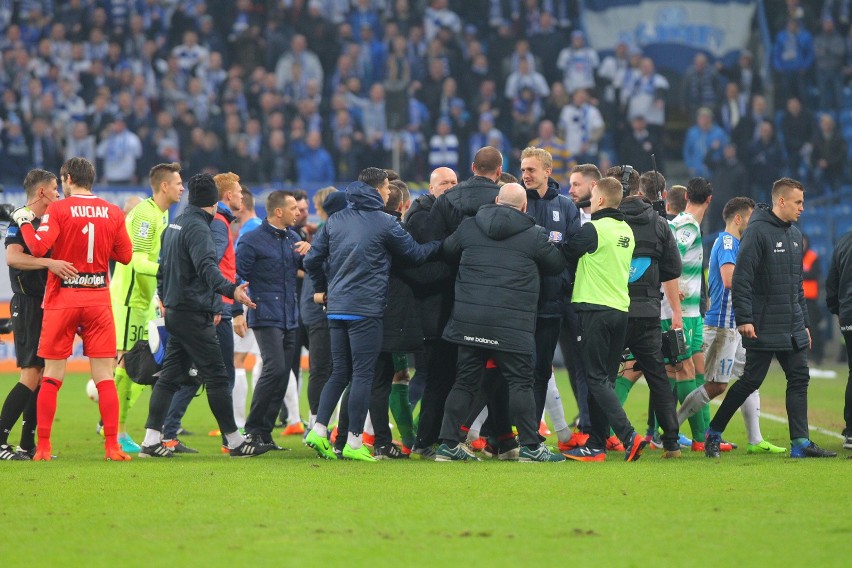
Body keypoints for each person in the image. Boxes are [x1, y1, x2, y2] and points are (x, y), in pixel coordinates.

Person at [303, 168, 440, 462]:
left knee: (339, 372)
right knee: (363, 374)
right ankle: (354, 442)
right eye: (388, 187)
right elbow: (415, 255)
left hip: (336, 308)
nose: (390, 192)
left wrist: (323, 289)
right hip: (366, 310)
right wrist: (440, 245)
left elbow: (312, 259)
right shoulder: (383, 222)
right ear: (380, 189)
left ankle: (317, 428)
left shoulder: (335, 220)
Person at [705, 178, 837, 459]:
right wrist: (745, 318)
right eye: (798, 202)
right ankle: (714, 432)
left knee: (800, 378)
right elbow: (741, 278)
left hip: (791, 324)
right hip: (763, 324)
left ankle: (800, 443)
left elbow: (796, 284)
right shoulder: (757, 232)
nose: (802, 207)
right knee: (750, 381)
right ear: (781, 201)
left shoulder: (794, 235)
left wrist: (804, 323)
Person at [138, 173, 266, 459]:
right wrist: (232, 291)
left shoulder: (175, 224)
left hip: (177, 310)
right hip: (193, 313)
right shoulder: (199, 229)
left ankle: (150, 440)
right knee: (218, 377)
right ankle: (234, 441)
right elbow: (208, 270)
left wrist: (164, 297)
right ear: (212, 201)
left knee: (170, 377)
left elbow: (162, 269)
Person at [13, 157, 133, 461]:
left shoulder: (58, 209)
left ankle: (43, 447)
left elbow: (38, 249)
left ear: (67, 179)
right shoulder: (113, 211)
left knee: (52, 375)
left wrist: (25, 222)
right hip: (97, 299)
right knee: (105, 376)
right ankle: (111, 447)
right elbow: (126, 255)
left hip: (63, 299)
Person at [436, 183, 567, 462]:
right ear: (524, 207)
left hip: (470, 321)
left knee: (464, 382)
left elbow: (447, 251)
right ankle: (531, 448)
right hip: (511, 323)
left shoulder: (470, 226)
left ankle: (447, 445)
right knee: (520, 383)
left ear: (496, 200)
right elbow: (556, 265)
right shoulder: (534, 235)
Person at [410, 148, 504, 458]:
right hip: (486, 301)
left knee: (448, 377)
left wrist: (456, 262)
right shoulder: (506, 199)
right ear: (500, 171)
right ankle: (450, 439)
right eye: (444, 183)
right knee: (481, 375)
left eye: (453, 181)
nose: (450, 188)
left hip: (449, 303)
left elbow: (432, 251)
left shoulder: (447, 204)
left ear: (472, 168)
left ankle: (434, 440)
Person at [677, 197, 786, 454]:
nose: (754, 223)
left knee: (749, 379)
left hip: (734, 325)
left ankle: (756, 440)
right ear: (738, 219)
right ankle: (672, 428)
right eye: (750, 217)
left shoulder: (735, 244)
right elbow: (729, 279)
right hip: (722, 326)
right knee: (716, 386)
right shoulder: (728, 242)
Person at [561, 177, 647, 463]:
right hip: (620, 311)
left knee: (594, 378)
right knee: (605, 380)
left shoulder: (593, 229)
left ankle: (629, 436)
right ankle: (595, 444)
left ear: (598, 200)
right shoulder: (626, 230)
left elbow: (566, 252)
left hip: (594, 311)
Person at [108, 162, 183, 454]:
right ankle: (115, 431)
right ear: (164, 186)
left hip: (144, 301)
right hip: (128, 301)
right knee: (128, 366)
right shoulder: (145, 214)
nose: (181, 188)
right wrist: (169, 269)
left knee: (145, 368)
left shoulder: (161, 215)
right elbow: (135, 261)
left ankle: (119, 427)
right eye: (177, 183)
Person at [0, 170, 72, 460]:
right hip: (27, 303)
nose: (59, 194)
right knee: (30, 373)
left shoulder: (48, 222)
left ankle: (27, 445)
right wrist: (49, 263)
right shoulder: (21, 220)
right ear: (42, 192)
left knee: (42, 375)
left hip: (48, 304)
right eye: (55, 189)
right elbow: (13, 257)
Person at [613, 172, 684, 458]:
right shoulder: (659, 223)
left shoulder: (611, 221)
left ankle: (601, 438)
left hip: (615, 307)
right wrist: (652, 279)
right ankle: (672, 443)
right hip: (648, 312)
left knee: (603, 376)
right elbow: (674, 269)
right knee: (658, 377)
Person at [519, 147, 580, 448]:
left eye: (531, 169)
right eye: (523, 169)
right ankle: (500, 435)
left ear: (547, 171)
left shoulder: (566, 207)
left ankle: (530, 438)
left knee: (541, 370)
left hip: (551, 304)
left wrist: (562, 284)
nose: (526, 175)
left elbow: (572, 253)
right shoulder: (515, 202)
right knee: (516, 370)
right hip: (519, 304)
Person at [238, 190, 308, 448]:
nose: (298, 212)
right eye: (293, 208)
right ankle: (253, 429)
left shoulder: (293, 238)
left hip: (290, 315)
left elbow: (309, 266)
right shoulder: (252, 240)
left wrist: (311, 252)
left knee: (282, 373)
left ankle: (265, 433)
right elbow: (237, 276)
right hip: (265, 313)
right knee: (275, 368)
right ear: (278, 212)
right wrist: (236, 311)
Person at [661, 177, 714, 451]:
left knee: (692, 369)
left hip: (691, 310)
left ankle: (700, 435)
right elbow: (671, 255)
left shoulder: (682, 223)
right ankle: (700, 437)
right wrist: (676, 285)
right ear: (709, 199)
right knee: (685, 369)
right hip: (680, 311)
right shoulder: (688, 226)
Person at [826, 226, 852, 450]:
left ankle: (851, 432)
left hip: (847, 314)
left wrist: (838, 311)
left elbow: (831, 283)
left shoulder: (842, 242)